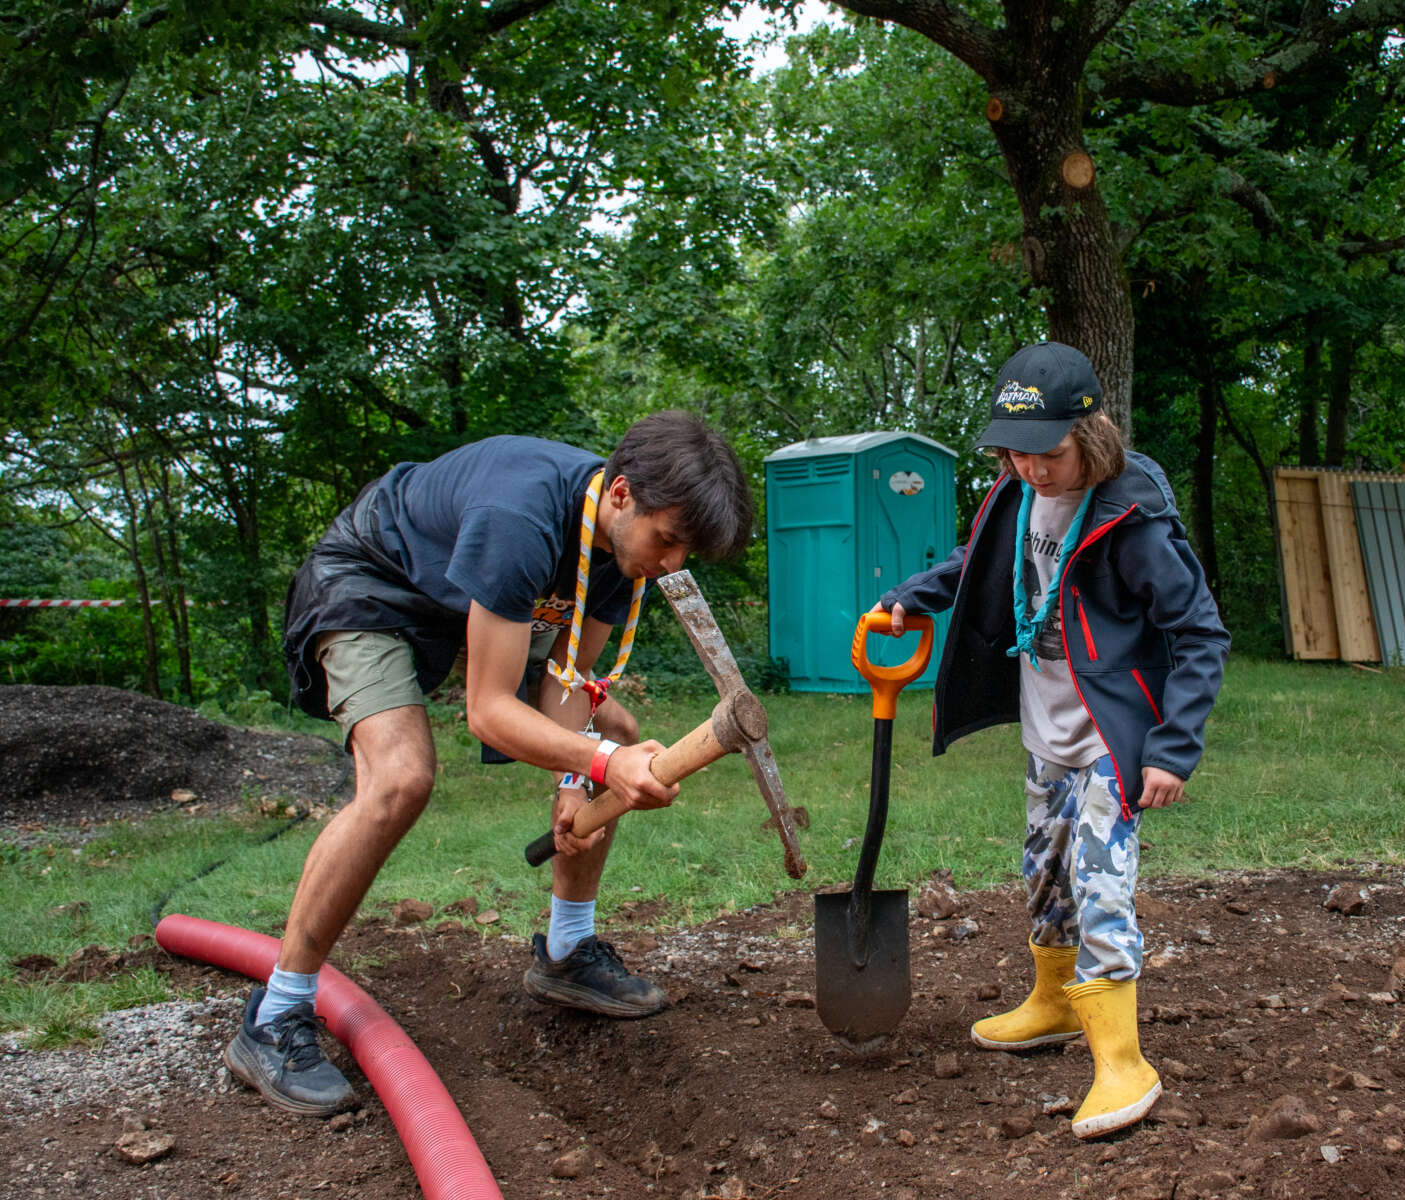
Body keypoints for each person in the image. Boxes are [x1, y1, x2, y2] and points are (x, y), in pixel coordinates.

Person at [226, 412, 753, 1116]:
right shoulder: (521, 519)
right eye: (668, 540)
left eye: (686, 551)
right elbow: (488, 708)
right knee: (401, 777)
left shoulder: (622, 554)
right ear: (622, 493)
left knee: (610, 728)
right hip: (372, 583)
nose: (673, 564)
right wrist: (604, 762)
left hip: (459, 600)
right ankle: (275, 1014)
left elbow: (568, 679)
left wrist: (577, 781)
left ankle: (566, 951)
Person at [873, 342, 1229, 1138]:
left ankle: (1123, 1062)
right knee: (1046, 875)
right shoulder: (1016, 494)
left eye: (1048, 453)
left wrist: (1173, 747)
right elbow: (975, 562)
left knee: (1101, 885)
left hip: (1111, 735)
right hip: (1046, 730)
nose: (1031, 468)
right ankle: (1054, 1002)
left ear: (1089, 435)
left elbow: (1200, 632)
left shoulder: (1132, 519)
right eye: (1014, 452)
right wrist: (913, 596)